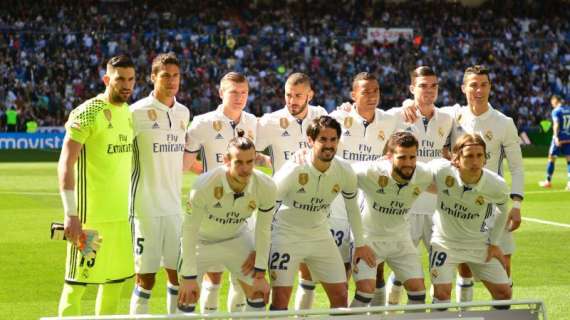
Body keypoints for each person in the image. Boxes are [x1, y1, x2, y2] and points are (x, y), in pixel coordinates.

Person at [402, 65, 523, 302]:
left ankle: (503, 311)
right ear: (463, 88)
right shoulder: (452, 115)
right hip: (459, 203)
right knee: (463, 268)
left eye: (484, 84)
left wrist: (516, 204)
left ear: (490, 87)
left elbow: (517, 167)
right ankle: (461, 312)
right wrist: (409, 104)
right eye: (473, 85)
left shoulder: (504, 122)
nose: (479, 90)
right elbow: (424, 104)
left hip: (491, 202)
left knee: (501, 263)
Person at [269, 115, 375, 310]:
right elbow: (268, 206)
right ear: (310, 141)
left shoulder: (344, 170)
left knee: (341, 295)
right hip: (286, 236)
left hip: (320, 235)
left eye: (333, 139)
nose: (329, 145)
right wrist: (263, 243)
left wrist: (360, 244)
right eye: (323, 140)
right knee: (280, 300)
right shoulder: (293, 169)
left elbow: (352, 209)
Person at [57, 55, 136, 316]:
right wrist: (71, 214)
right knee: (76, 285)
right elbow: (65, 165)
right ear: (106, 79)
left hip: (122, 220)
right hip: (91, 223)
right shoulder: (88, 111)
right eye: (120, 79)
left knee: (114, 284)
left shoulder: (127, 112)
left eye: (131, 79)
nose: (127, 85)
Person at [320, 72, 398, 308]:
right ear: (353, 95)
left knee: (376, 267)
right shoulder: (337, 118)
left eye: (376, 90)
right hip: (340, 206)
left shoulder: (390, 120)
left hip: (372, 204)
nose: (372, 95)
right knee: (341, 271)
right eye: (365, 91)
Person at [183, 71, 259, 312]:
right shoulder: (203, 123)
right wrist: (206, 177)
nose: (240, 98)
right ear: (221, 93)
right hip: (211, 210)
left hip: (243, 210)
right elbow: (184, 164)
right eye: (234, 92)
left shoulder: (253, 122)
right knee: (212, 278)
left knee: (241, 277)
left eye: (244, 93)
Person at [178, 130, 276, 313]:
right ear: (226, 160)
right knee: (185, 299)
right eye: (239, 162)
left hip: (236, 239)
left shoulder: (267, 186)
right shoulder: (203, 185)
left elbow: (263, 229)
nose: (245, 169)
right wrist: (189, 277)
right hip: (201, 242)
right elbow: (189, 230)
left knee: (258, 294)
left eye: (250, 162)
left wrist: (261, 270)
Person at [255, 72, 327, 310]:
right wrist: (267, 161)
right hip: (281, 213)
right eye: (288, 95)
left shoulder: (322, 116)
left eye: (298, 95)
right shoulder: (269, 121)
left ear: (310, 95)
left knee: (308, 277)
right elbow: (245, 151)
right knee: (280, 286)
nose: (292, 100)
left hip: (314, 209)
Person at [385, 66, 453, 306]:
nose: (429, 90)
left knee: (440, 271)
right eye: (423, 85)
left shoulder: (447, 118)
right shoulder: (395, 116)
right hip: (404, 206)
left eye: (433, 85)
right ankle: (391, 308)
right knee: (401, 270)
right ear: (412, 88)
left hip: (436, 207)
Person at [128, 52, 189, 315]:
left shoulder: (184, 112)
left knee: (178, 275)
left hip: (174, 208)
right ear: (153, 77)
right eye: (165, 75)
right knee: (146, 278)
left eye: (176, 76)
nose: (171, 81)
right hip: (146, 209)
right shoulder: (136, 112)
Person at [430, 133, 512, 308]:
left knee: (504, 294)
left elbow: (503, 209)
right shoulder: (441, 170)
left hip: (478, 243)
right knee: (442, 295)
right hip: (445, 243)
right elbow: (413, 173)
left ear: (485, 158)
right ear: (456, 159)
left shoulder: (496, 184)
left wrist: (495, 243)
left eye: (479, 155)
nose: (475, 161)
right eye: (468, 156)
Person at [350, 132, 431, 308]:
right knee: (365, 292)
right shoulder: (370, 171)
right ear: (388, 156)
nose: (409, 163)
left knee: (418, 293)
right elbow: (338, 170)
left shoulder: (423, 174)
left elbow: (452, 177)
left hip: (401, 241)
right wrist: (304, 155)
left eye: (412, 157)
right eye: (402, 157)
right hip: (369, 241)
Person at [539, 95, 570, 190]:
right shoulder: (569, 109)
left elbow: (556, 124)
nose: (551, 104)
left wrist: (556, 137)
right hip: (568, 138)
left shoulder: (556, 111)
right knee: (569, 160)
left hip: (559, 138)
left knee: (551, 158)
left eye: (552, 101)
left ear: (555, 100)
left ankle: (548, 181)